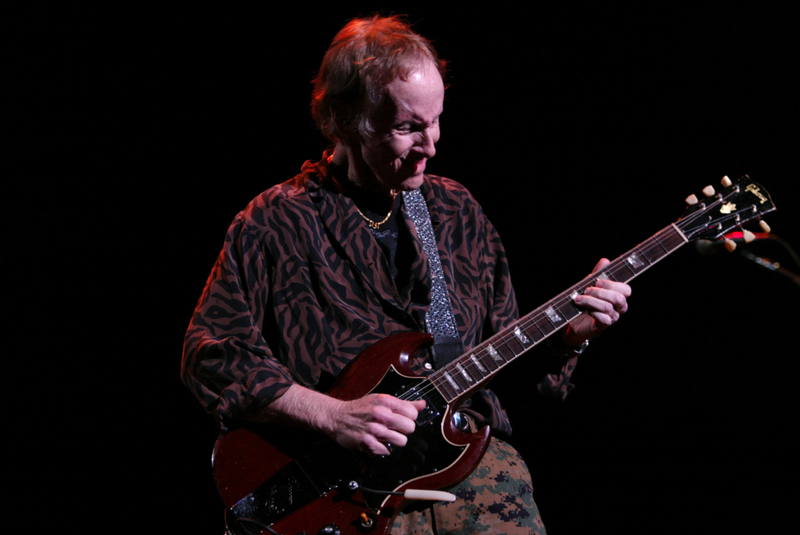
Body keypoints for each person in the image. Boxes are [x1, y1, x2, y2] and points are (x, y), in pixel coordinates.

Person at [182, 15, 631, 534]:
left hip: (473, 482)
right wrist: (332, 415)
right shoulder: (275, 220)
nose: (431, 143)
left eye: (436, 120)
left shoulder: (456, 211)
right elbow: (209, 356)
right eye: (407, 127)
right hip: (334, 494)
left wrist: (567, 342)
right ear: (345, 118)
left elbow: (515, 375)